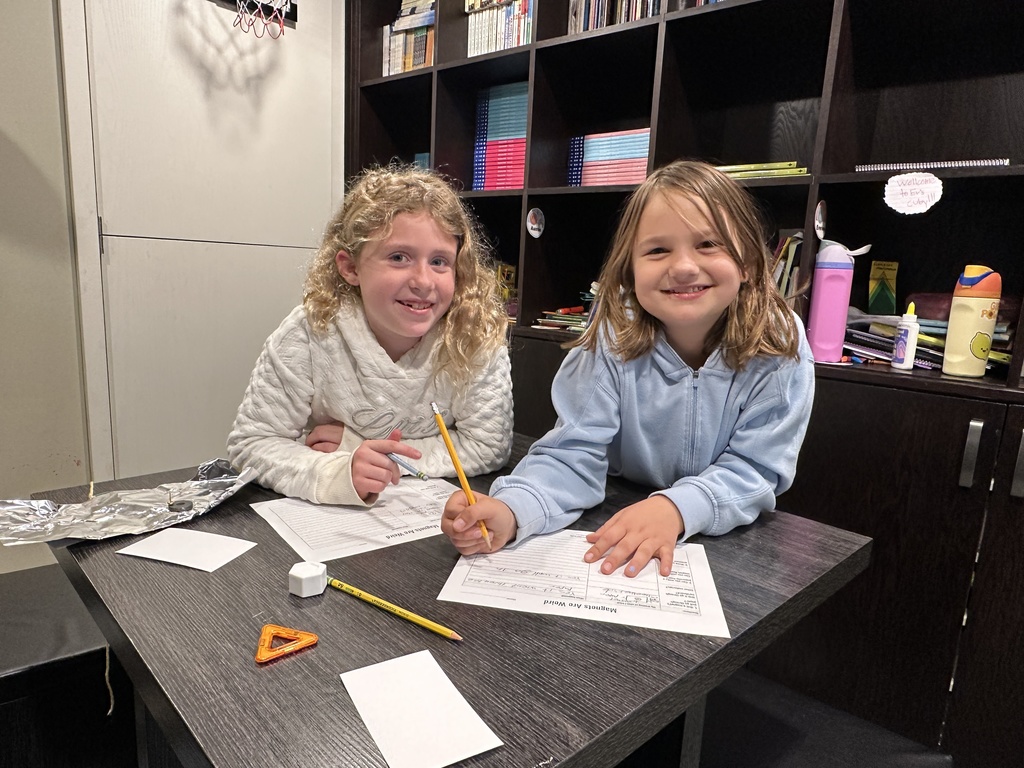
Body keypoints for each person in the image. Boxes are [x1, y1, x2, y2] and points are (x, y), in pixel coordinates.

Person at [441, 159, 815, 576]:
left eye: (709, 244)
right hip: (618, 517)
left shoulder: (780, 343)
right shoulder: (612, 334)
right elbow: (572, 454)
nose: (685, 267)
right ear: (630, 270)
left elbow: (756, 468)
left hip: (730, 541)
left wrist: (675, 507)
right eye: (657, 250)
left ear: (747, 262)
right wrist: (513, 510)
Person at [227, 164, 513, 506]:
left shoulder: (473, 335)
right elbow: (252, 442)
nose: (423, 281)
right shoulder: (309, 331)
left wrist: (358, 447)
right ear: (350, 267)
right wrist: (338, 472)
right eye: (398, 257)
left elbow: (487, 446)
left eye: (440, 262)